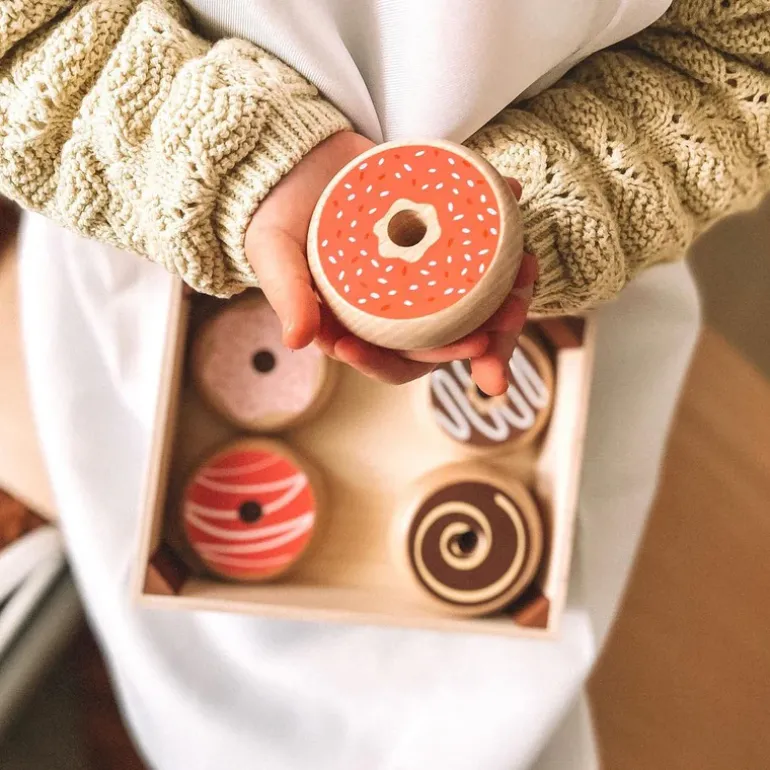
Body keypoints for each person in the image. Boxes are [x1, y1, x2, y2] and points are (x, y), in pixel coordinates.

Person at [3, 0, 769, 767]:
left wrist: (519, 227)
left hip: (546, 310)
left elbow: (741, 67)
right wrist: (243, 160)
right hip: (159, 226)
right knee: (194, 667)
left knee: (484, 711)